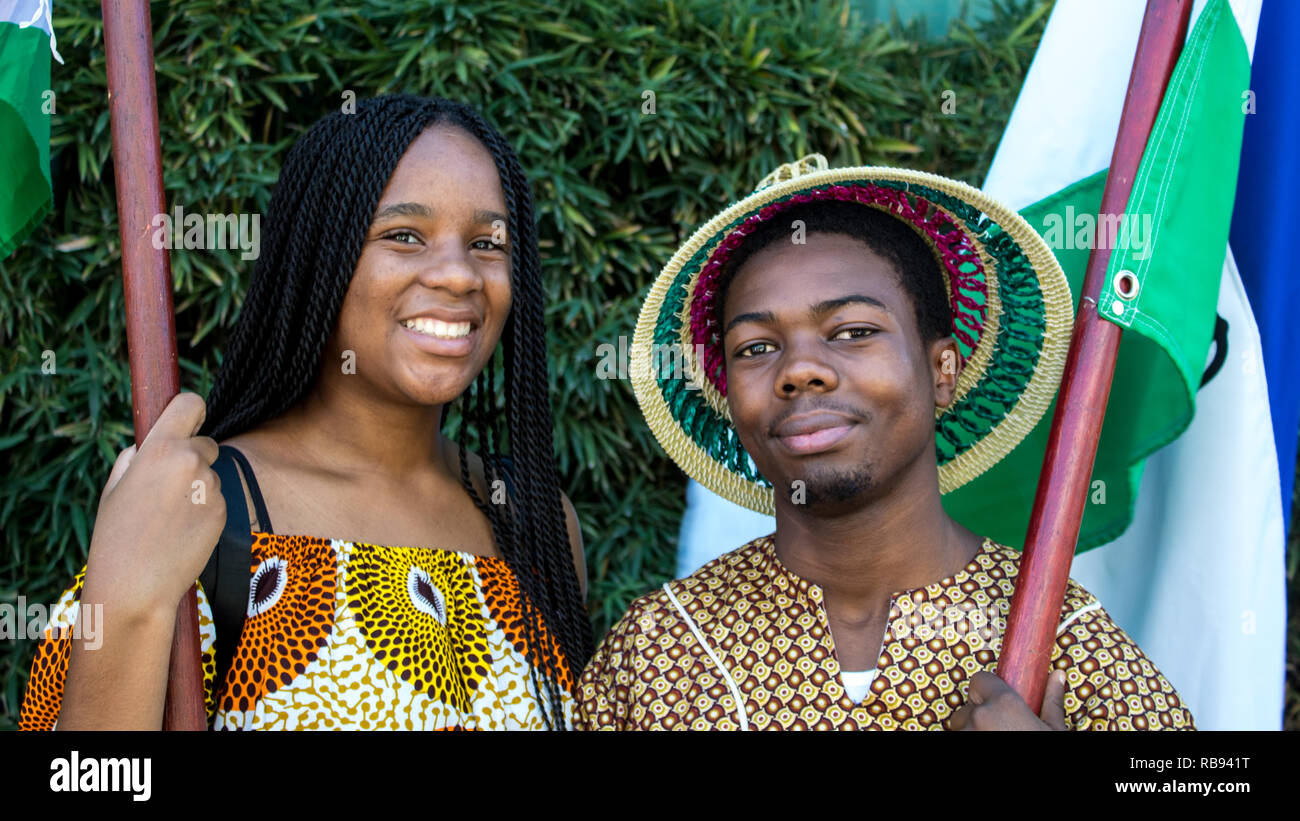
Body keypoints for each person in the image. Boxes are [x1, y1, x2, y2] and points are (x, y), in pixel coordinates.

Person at [20, 94, 591, 730]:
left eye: (489, 243)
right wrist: (128, 599)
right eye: (404, 235)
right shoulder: (205, 512)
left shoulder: (536, 522)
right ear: (321, 253)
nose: (459, 275)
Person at [579, 155, 1195, 730]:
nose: (799, 370)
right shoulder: (657, 651)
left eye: (851, 331)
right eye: (757, 349)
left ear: (943, 370)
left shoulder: (1064, 642)